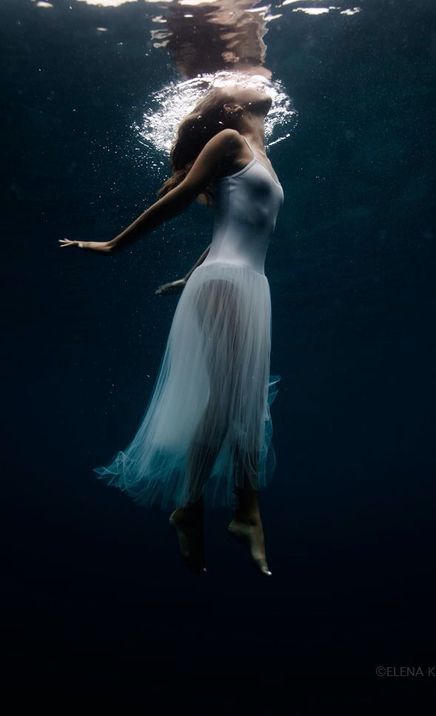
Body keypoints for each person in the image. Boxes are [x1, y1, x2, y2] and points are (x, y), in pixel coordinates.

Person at [59, 82, 284, 577]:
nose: (256, 79)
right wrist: (113, 246)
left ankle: (245, 512)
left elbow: (236, 224)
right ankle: (193, 505)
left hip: (246, 283)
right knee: (230, 399)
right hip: (228, 284)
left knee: (246, 399)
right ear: (230, 106)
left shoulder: (259, 150)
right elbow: (181, 198)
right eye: (243, 82)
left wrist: (187, 277)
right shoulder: (228, 139)